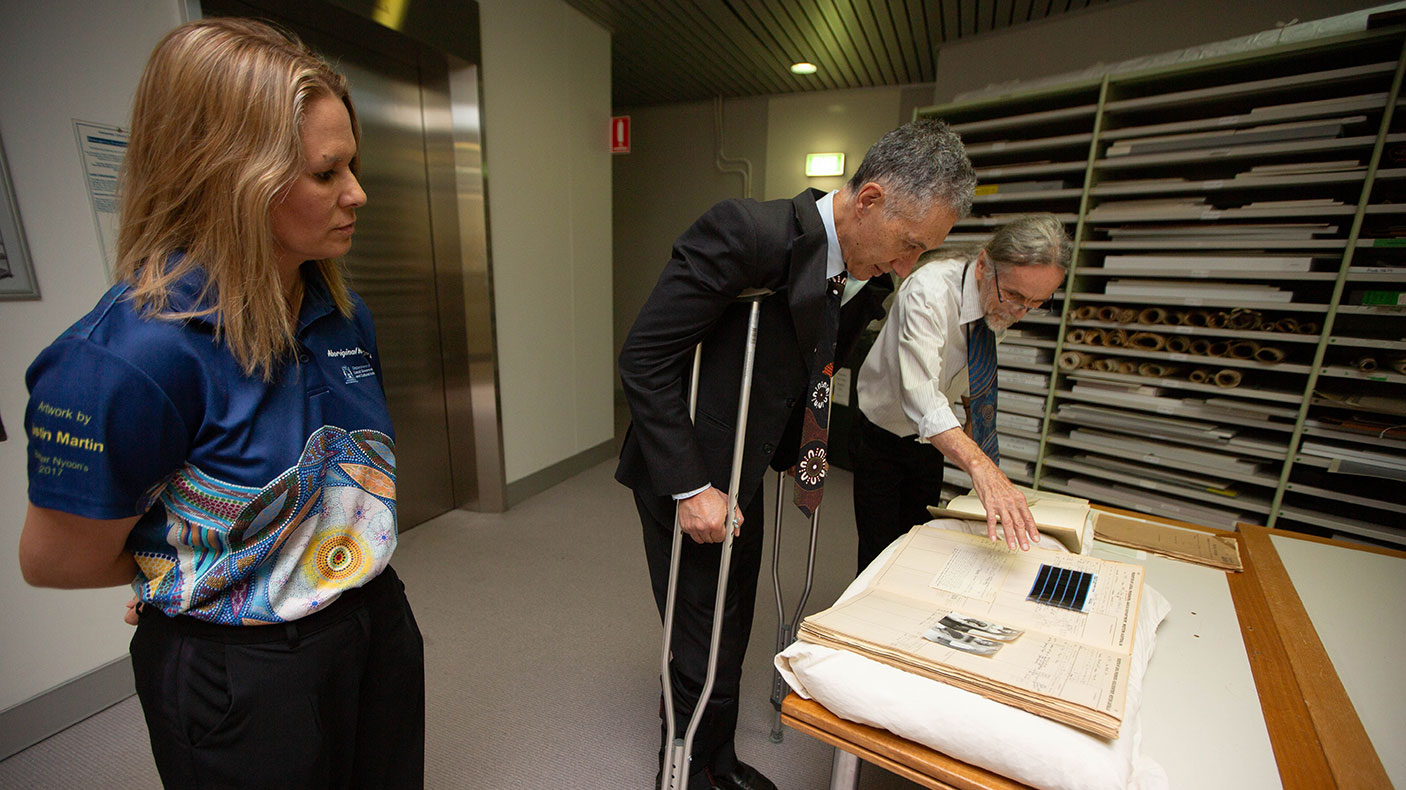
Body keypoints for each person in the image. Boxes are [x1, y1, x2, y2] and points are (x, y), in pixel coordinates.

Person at [18, 18, 424, 789]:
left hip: (371, 618)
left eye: (353, 166)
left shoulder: (339, 312)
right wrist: (195, 577)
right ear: (233, 177)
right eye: (327, 173)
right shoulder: (129, 359)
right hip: (245, 672)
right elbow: (56, 559)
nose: (357, 194)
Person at [617, 118, 976, 790]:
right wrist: (691, 487)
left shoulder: (853, 265)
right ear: (869, 200)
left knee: (732, 622)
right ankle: (691, 769)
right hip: (690, 468)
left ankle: (715, 760)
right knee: (700, 629)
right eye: (907, 246)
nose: (906, 267)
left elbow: (814, 349)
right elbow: (644, 359)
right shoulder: (743, 231)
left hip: (746, 466)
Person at [851, 214, 1071, 572]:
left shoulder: (999, 298)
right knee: (882, 551)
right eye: (1015, 296)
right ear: (984, 264)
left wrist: (971, 413)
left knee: (920, 538)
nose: (1019, 312)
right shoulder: (928, 292)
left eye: (1035, 303)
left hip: (931, 438)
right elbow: (921, 396)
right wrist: (980, 465)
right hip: (882, 431)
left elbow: (973, 365)